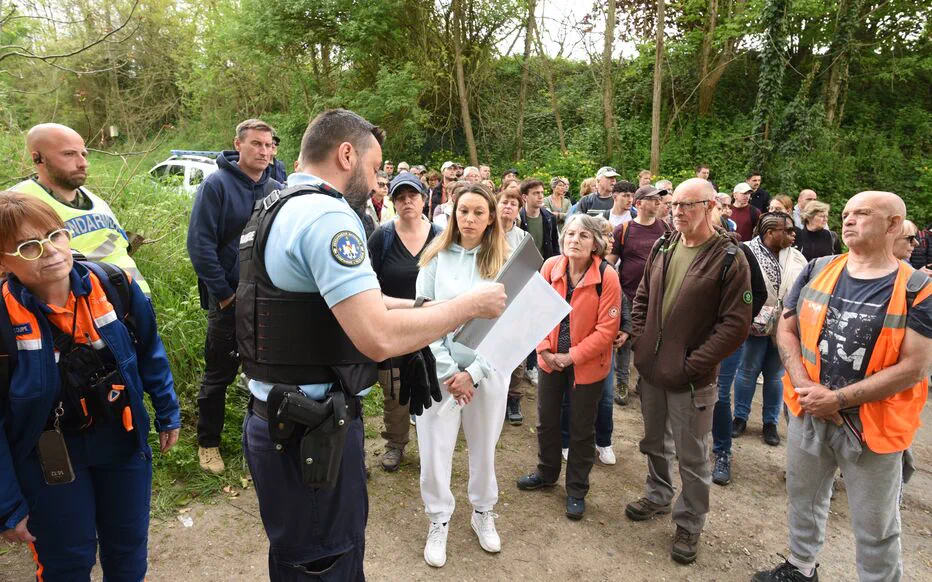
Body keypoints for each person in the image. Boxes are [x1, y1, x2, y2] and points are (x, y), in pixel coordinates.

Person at [238, 109, 506, 581]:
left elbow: (355, 301)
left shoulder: (275, 206)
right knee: (328, 563)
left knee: (298, 557)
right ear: (347, 155)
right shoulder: (329, 217)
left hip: (278, 419)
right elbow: (378, 337)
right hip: (312, 434)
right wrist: (469, 306)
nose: (378, 180)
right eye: (375, 167)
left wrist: (427, 305)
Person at [0, 191, 181, 579]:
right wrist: (7, 503)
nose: (50, 251)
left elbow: (149, 350)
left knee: (128, 550)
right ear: (3, 261)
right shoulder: (3, 320)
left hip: (121, 440)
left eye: (54, 235)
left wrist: (168, 411)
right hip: (47, 456)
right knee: (67, 562)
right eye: (28, 246)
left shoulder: (113, 284)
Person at [754, 191, 932, 582]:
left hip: (873, 428)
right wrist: (806, 388)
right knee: (804, 500)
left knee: (876, 525)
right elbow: (786, 329)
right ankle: (801, 568)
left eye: (862, 213)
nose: (848, 220)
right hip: (808, 412)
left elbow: (915, 367)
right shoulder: (818, 268)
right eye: (847, 213)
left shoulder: (918, 289)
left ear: (893, 224)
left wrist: (836, 399)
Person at [624, 178, 752, 565]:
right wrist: (641, 342)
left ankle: (690, 522)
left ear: (710, 206)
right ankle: (659, 495)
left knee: (693, 456)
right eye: (674, 204)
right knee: (653, 442)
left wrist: (691, 365)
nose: (677, 211)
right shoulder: (664, 245)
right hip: (652, 370)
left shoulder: (729, 258)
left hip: (692, 380)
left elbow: (735, 326)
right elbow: (643, 297)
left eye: (687, 205)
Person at [414, 182, 510, 568]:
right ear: (453, 215)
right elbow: (424, 317)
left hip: (487, 370)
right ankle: (438, 518)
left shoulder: (503, 260)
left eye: (478, 213)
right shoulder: (434, 257)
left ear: (491, 219)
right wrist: (451, 371)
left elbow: (510, 324)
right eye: (463, 211)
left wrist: (474, 372)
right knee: (434, 448)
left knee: (484, 446)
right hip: (441, 372)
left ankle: (482, 511)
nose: (469, 219)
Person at [187, 118, 281, 474]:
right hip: (228, 301)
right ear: (238, 144)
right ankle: (208, 443)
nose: (264, 151)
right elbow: (200, 246)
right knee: (218, 375)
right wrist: (225, 295)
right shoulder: (216, 186)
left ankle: (264, 437)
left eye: (269, 145)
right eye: (256, 143)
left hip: (267, 300)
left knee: (267, 370)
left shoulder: (277, 188)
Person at [516, 214, 621, 520]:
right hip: (550, 359)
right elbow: (533, 311)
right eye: (571, 234)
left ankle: (576, 489)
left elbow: (607, 330)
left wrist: (571, 356)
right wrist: (544, 349)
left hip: (586, 364)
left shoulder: (607, 275)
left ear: (595, 244)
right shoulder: (550, 266)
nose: (575, 240)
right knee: (547, 421)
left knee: (581, 429)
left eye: (583, 236)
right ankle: (546, 473)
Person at [15, 123, 150, 296]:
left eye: (83, 154)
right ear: (38, 158)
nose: (83, 163)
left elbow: (119, 250)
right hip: (84, 307)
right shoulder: (17, 205)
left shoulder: (97, 201)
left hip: (136, 300)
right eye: (69, 154)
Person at [367, 173, 441, 472]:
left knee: (433, 382)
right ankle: (395, 443)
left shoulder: (441, 236)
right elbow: (369, 287)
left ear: (424, 200)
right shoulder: (382, 237)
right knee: (394, 387)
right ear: (393, 203)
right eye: (400, 197)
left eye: (412, 196)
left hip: (434, 325)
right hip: (393, 325)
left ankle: (433, 445)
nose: (407, 201)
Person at [729, 213, 807, 451]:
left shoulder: (796, 257)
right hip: (753, 323)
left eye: (793, 231)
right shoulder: (746, 251)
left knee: (775, 376)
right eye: (788, 230)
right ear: (770, 233)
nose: (793, 235)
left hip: (785, 326)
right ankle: (740, 417)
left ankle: (770, 423)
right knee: (747, 371)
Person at [605, 185, 670, 405]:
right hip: (628, 295)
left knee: (651, 341)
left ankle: (644, 381)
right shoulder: (623, 229)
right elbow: (610, 261)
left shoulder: (666, 229)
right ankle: (622, 383)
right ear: (639, 203)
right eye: (653, 199)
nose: (658, 202)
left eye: (659, 199)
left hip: (657, 296)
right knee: (624, 340)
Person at [497, 185, 530, 425]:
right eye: (504, 202)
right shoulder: (485, 233)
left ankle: (514, 397)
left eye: (513, 204)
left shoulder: (523, 237)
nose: (508, 207)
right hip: (487, 300)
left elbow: (529, 270)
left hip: (515, 301)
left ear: (519, 209)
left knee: (516, 351)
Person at [519, 178, 560, 261]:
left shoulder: (550, 218)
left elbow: (555, 247)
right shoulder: (517, 219)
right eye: (536, 193)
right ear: (525, 197)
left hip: (546, 265)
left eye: (542, 192)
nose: (541, 196)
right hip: (524, 265)